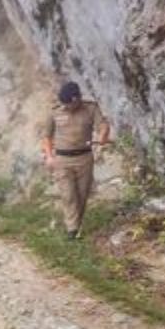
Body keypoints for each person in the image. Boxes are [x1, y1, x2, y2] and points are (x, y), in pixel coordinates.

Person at [42, 81, 110, 238]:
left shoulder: (91, 108)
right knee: (68, 194)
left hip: (84, 158)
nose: (65, 106)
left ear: (76, 99)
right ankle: (71, 230)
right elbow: (46, 137)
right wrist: (49, 156)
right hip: (62, 160)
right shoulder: (54, 111)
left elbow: (103, 125)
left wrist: (102, 136)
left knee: (81, 194)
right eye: (63, 103)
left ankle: (76, 225)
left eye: (68, 103)